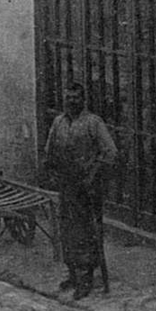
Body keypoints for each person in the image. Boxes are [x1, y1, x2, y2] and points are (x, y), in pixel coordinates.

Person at [43, 82, 117, 299]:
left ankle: (86, 278)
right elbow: (49, 150)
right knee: (67, 230)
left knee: (85, 232)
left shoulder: (93, 122)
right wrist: (51, 171)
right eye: (68, 97)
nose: (71, 101)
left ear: (83, 100)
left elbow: (111, 152)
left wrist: (93, 174)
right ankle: (73, 273)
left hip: (87, 187)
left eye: (75, 97)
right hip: (66, 184)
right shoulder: (58, 122)